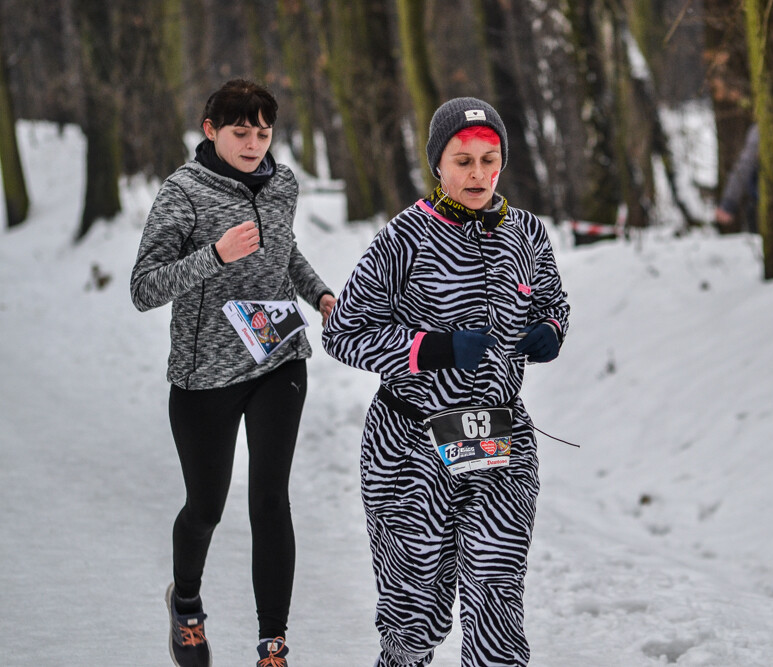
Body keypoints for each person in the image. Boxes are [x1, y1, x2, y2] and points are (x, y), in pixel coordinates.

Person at [323, 97, 570, 667]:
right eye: (463, 161)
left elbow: (554, 301)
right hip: (410, 442)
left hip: (494, 434)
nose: (478, 174)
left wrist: (550, 330)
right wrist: (430, 347)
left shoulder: (527, 234)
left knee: (495, 589)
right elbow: (342, 333)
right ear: (438, 164)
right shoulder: (402, 240)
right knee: (416, 607)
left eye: (489, 159)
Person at [130, 78, 336, 667]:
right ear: (211, 130)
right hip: (205, 376)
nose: (253, 145)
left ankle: (274, 644)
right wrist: (215, 255)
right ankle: (187, 606)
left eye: (263, 133)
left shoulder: (283, 184)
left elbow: (284, 250)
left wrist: (318, 294)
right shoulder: (183, 192)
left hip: (279, 359)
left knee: (271, 500)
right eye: (240, 133)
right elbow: (144, 288)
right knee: (206, 506)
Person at [714, 123, 759, 233]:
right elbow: (744, 167)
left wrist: (728, 204)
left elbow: (744, 167)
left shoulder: (763, 127)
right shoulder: (763, 127)